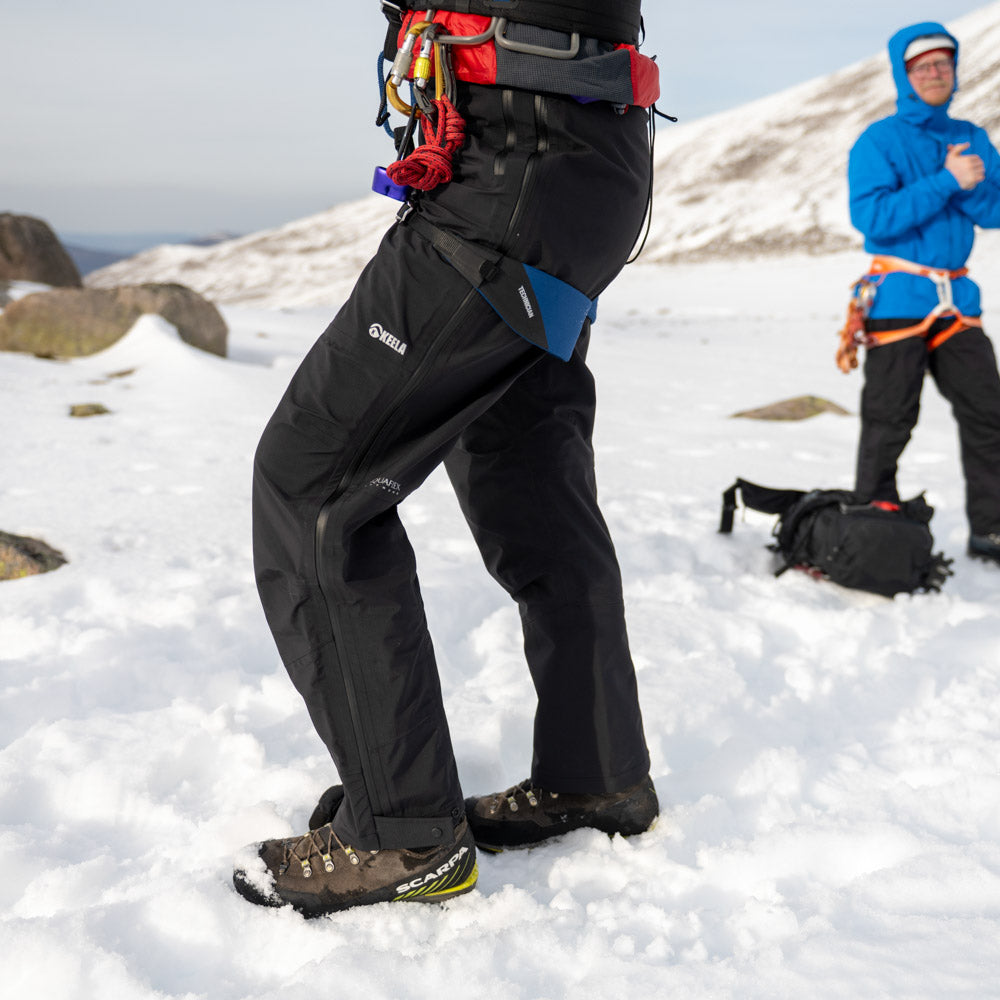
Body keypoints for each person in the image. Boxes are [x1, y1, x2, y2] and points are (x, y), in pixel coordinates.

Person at [233, 1, 660, 918]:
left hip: (515, 156)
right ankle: (597, 775)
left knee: (315, 485)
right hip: (580, 154)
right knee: (523, 466)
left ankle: (404, 834)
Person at [845, 21, 1000, 565]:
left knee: (989, 414)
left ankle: (991, 532)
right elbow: (873, 217)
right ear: (904, 75)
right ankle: (873, 527)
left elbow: (994, 211)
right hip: (897, 298)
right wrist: (946, 181)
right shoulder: (878, 141)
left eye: (943, 63)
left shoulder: (972, 136)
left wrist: (966, 182)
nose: (936, 73)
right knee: (889, 419)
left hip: (957, 302)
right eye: (923, 66)